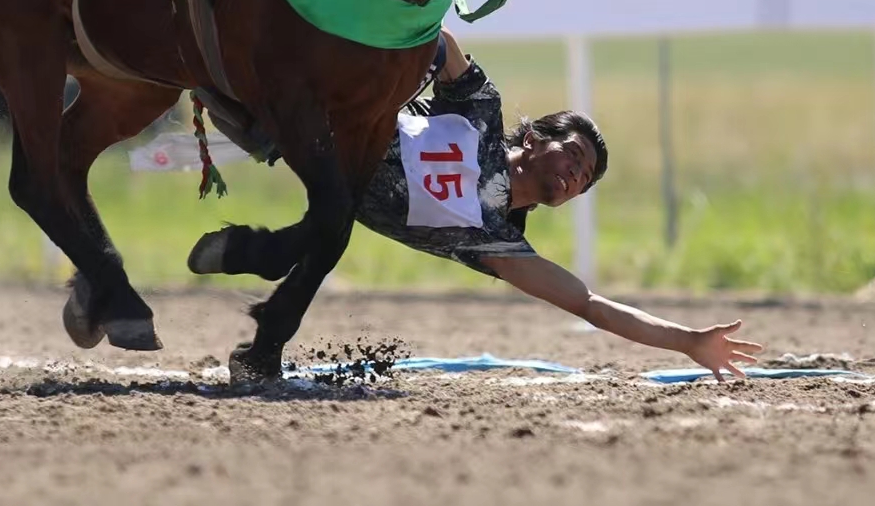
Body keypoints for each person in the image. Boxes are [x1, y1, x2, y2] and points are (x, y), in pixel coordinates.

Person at [190, 27, 762, 381]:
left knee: (332, 225)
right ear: (536, 137)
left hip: (298, 154)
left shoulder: (498, 243)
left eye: (584, 179)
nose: (574, 175)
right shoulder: (481, 112)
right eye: (575, 155)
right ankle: (259, 271)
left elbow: (590, 305)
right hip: (318, 104)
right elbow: (439, 43)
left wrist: (688, 341)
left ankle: (256, 270)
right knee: (331, 227)